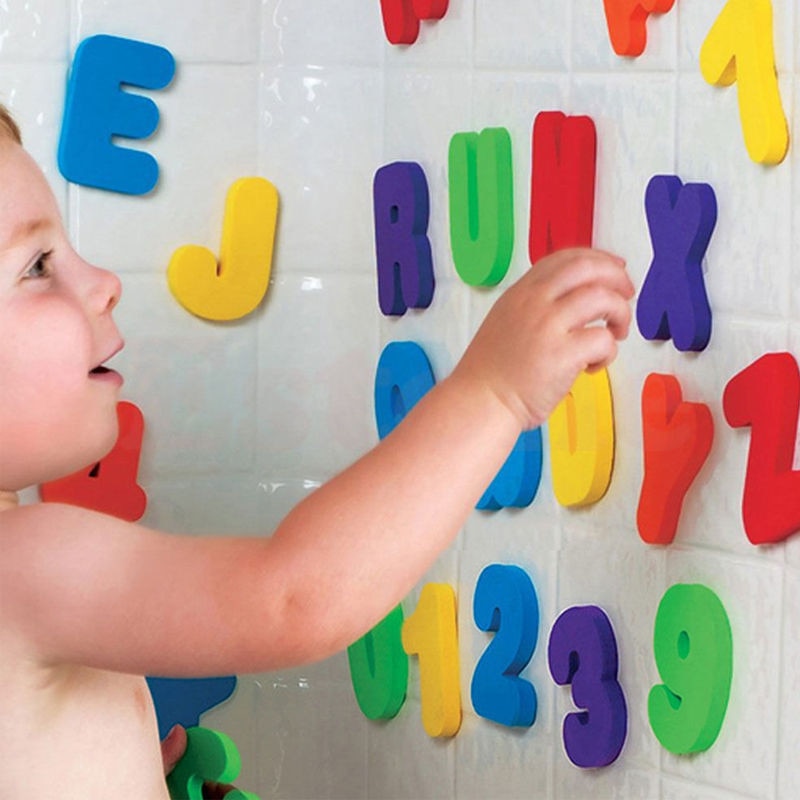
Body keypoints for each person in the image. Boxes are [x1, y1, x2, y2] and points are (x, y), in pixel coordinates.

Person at [0, 103, 634, 797]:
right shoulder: (24, 565)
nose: (104, 283)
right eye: (37, 266)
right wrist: (493, 394)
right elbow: (293, 597)